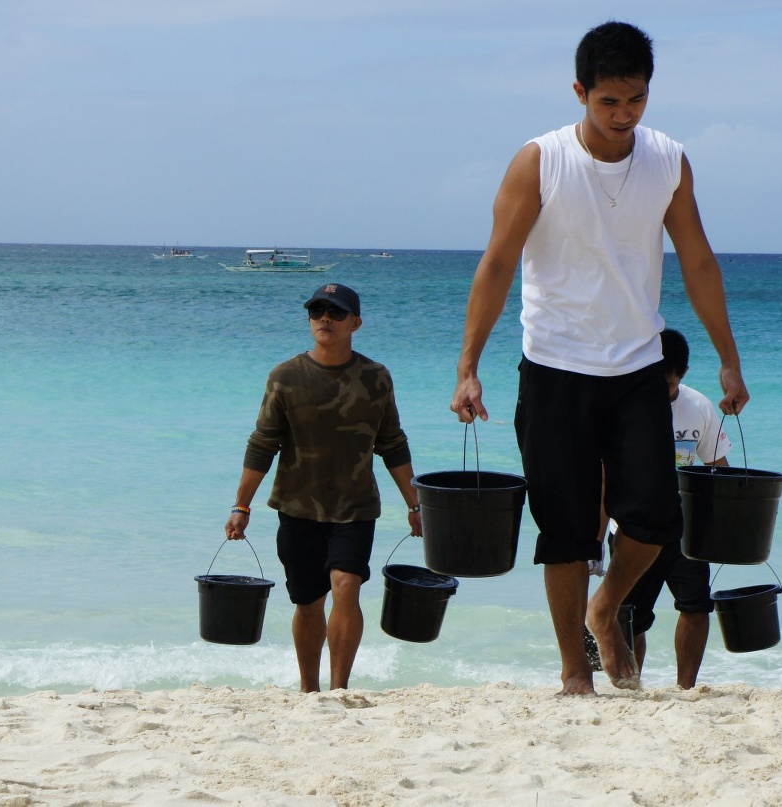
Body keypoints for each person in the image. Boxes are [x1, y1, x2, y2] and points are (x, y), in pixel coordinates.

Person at [449, 21, 749, 695]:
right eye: (608, 102)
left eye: (635, 101)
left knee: (656, 516)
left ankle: (605, 604)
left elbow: (698, 261)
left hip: (637, 366)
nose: (622, 116)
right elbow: (497, 264)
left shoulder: (668, 160)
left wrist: (728, 358)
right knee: (566, 526)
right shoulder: (540, 161)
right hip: (554, 365)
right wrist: (469, 365)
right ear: (580, 92)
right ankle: (572, 669)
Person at [226, 283, 424, 692]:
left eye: (335, 313)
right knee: (308, 602)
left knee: (346, 586)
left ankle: (338, 689)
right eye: (317, 312)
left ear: (356, 322)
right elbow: (263, 443)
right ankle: (308, 689)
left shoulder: (375, 378)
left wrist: (416, 504)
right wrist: (241, 506)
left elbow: (392, 443)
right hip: (297, 507)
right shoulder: (285, 377)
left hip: (355, 507)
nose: (324, 320)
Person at [608, 328, 730, 689]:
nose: (659, 390)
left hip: (685, 531)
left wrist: (725, 523)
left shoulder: (699, 407)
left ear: (683, 374)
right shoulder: (623, 405)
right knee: (632, 617)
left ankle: (686, 689)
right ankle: (631, 686)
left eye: (669, 382)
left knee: (696, 606)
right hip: (632, 526)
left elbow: (717, 467)